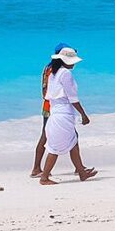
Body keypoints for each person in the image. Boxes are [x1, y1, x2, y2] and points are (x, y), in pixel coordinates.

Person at [39, 47, 97, 185]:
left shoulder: (54, 72)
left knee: (73, 142)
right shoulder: (65, 74)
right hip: (63, 114)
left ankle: (81, 172)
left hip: (56, 113)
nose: (74, 64)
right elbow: (73, 98)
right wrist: (83, 114)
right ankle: (44, 177)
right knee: (55, 147)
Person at [30, 42, 72, 178]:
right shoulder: (56, 70)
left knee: (48, 134)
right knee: (51, 135)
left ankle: (79, 167)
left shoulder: (48, 67)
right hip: (54, 107)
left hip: (48, 105)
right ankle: (36, 168)